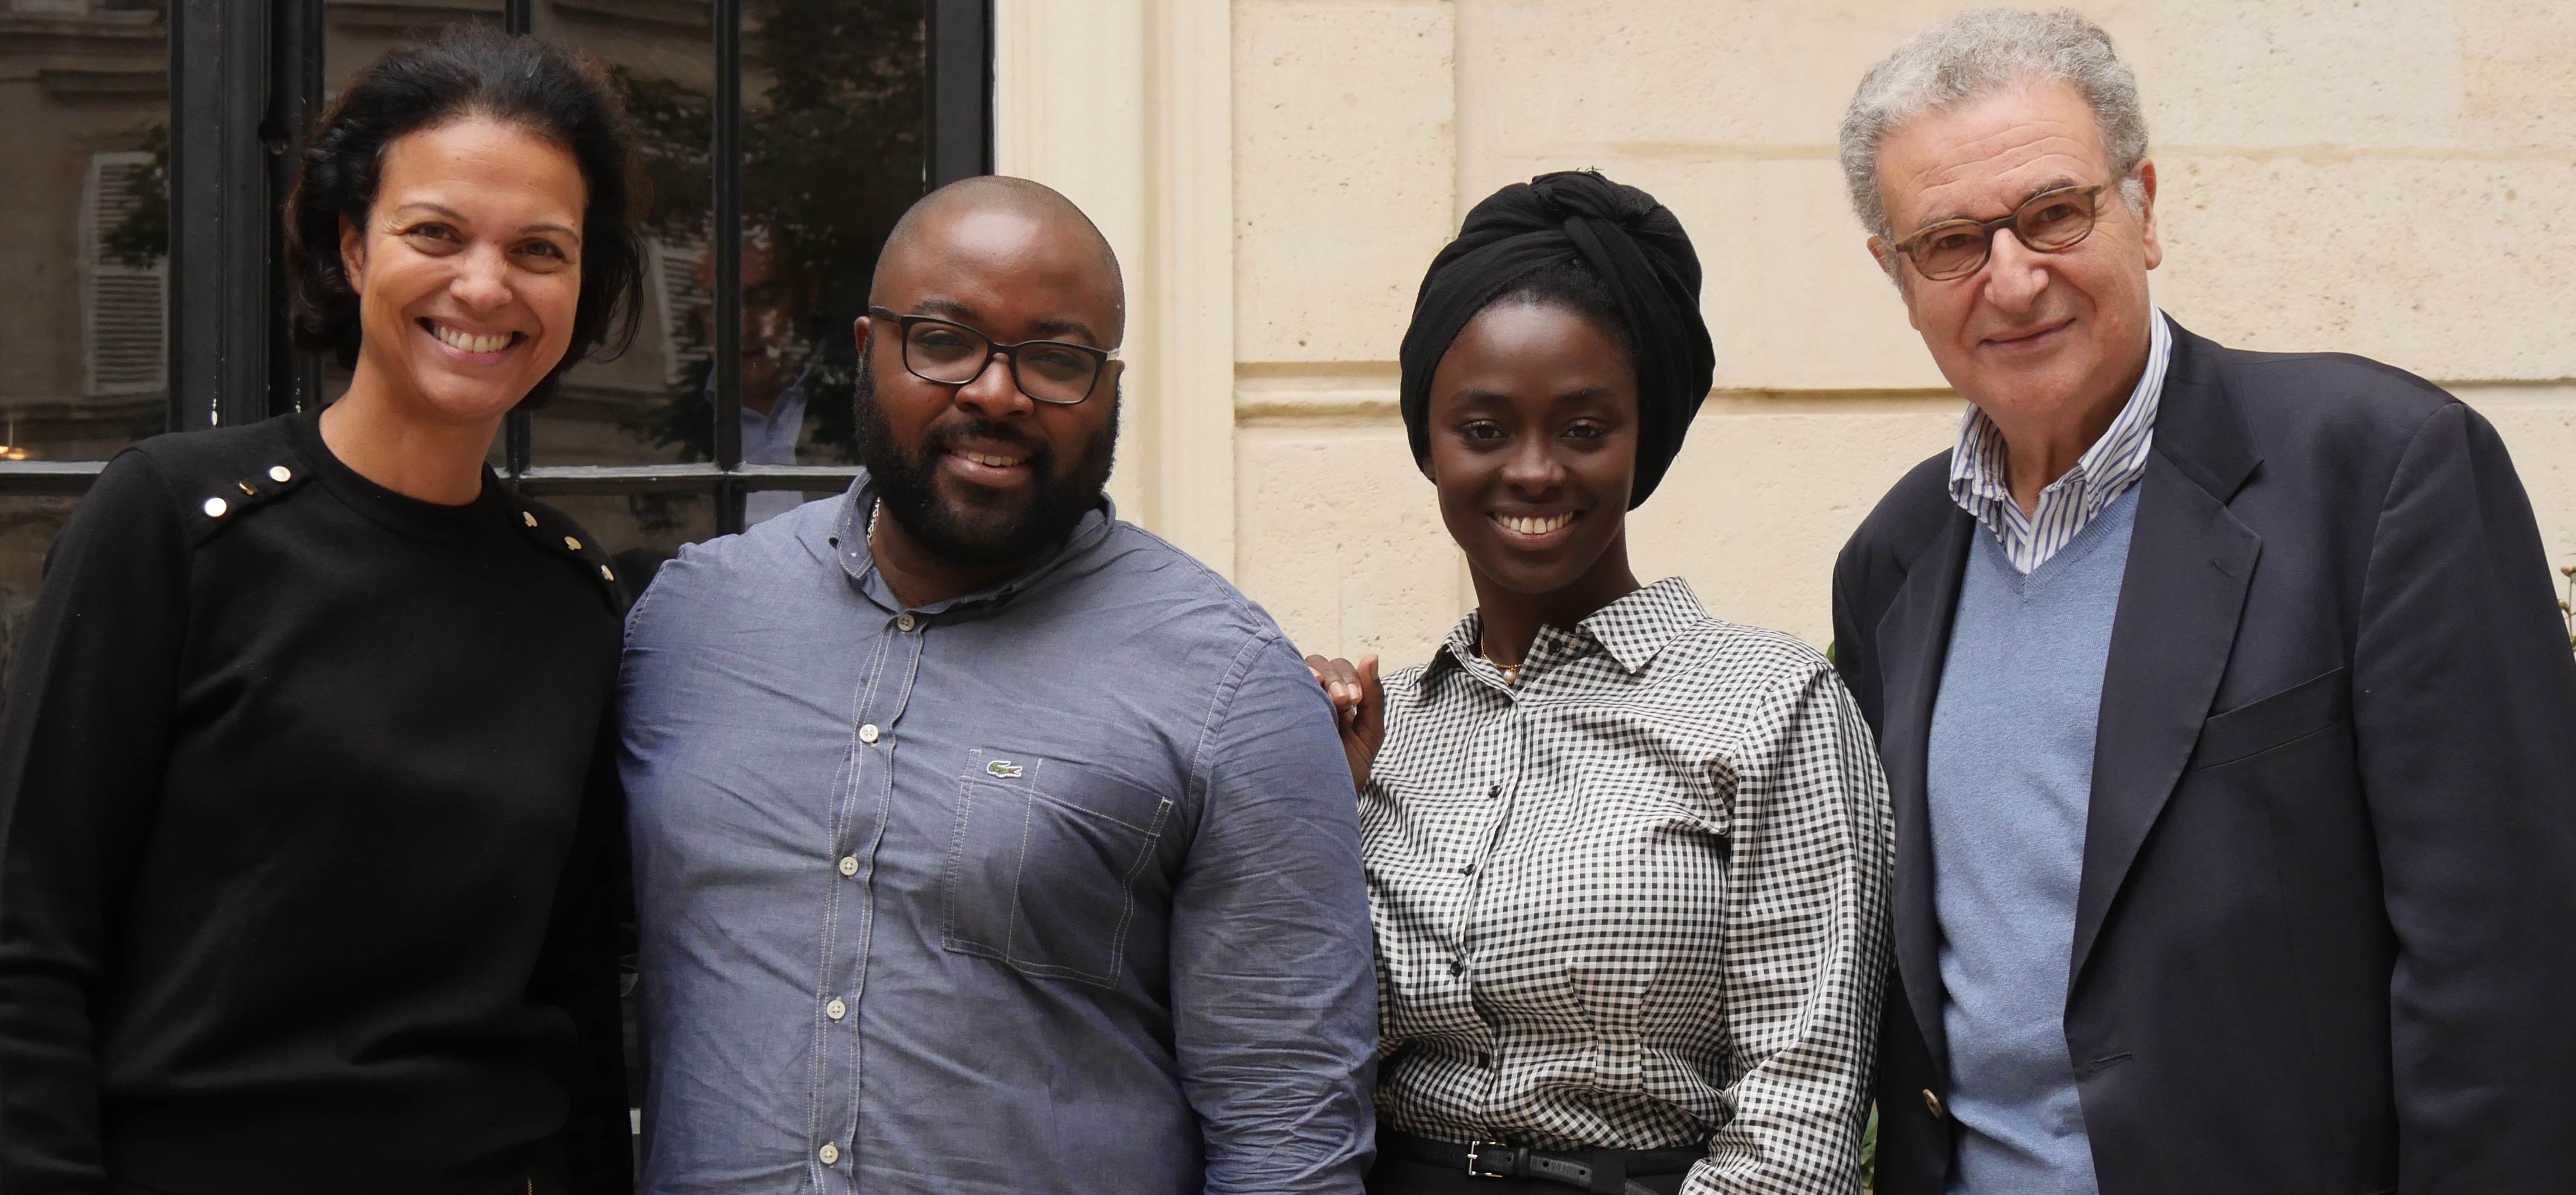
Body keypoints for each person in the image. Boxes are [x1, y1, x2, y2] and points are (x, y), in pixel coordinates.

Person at [1827, 10, 2576, 1194]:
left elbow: (2510, 971)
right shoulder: (1894, 560)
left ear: (2146, 207)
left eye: (2055, 213)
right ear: (1898, 276)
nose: (2013, 279)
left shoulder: (2382, 473)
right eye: (1953, 241)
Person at [618, 176, 1376, 1193]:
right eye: (942, 340)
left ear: (1110, 388)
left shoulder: (1233, 689)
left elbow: (1289, 1138)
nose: (995, 393)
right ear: (864, 350)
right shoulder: (688, 629)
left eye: (1057, 360)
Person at [0, 28, 643, 1194]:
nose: (485, 287)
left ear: (581, 287)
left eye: (539, 250)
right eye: (434, 233)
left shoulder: (573, 598)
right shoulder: (172, 525)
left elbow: (575, 999)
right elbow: (27, 938)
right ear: (350, 247)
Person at [1306, 170, 1892, 1195]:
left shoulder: (1772, 704)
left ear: (1642, 440)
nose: (1533, 471)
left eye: (1584, 429)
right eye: (1483, 430)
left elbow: (1802, 1104)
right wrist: (1315, 806)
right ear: (1430, 444)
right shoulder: (1379, 726)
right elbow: (1286, 1050)